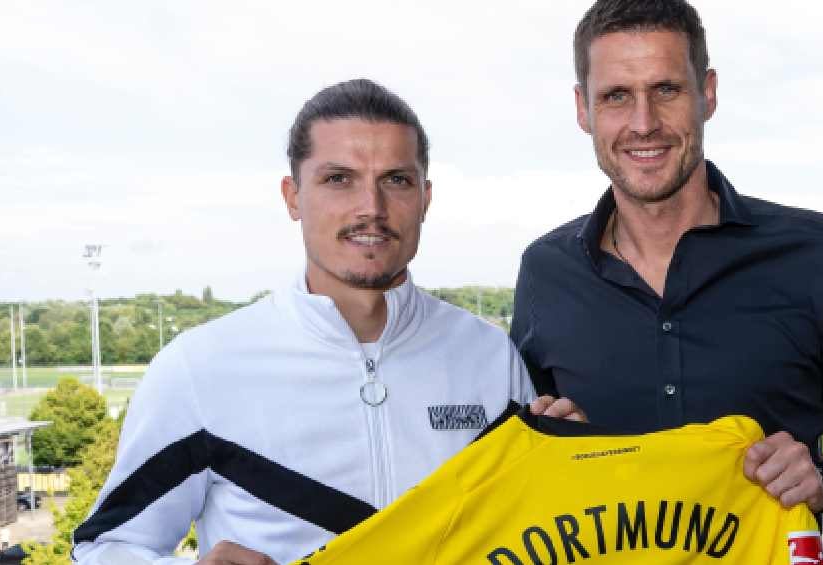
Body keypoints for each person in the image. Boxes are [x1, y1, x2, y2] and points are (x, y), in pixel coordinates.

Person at [73, 79, 581, 565]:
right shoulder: (199, 368)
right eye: (339, 179)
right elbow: (103, 548)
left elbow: (533, 530)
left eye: (396, 180)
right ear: (293, 196)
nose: (371, 208)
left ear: (425, 198)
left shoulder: (489, 356)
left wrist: (571, 475)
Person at [511, 0, 823, 517]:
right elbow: (528, 453)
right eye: (616, 96)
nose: (643, 123)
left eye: (666, 90)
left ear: (708, 93)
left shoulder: (822, 255)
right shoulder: (545, 271)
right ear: (583, 109)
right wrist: (557, 444)